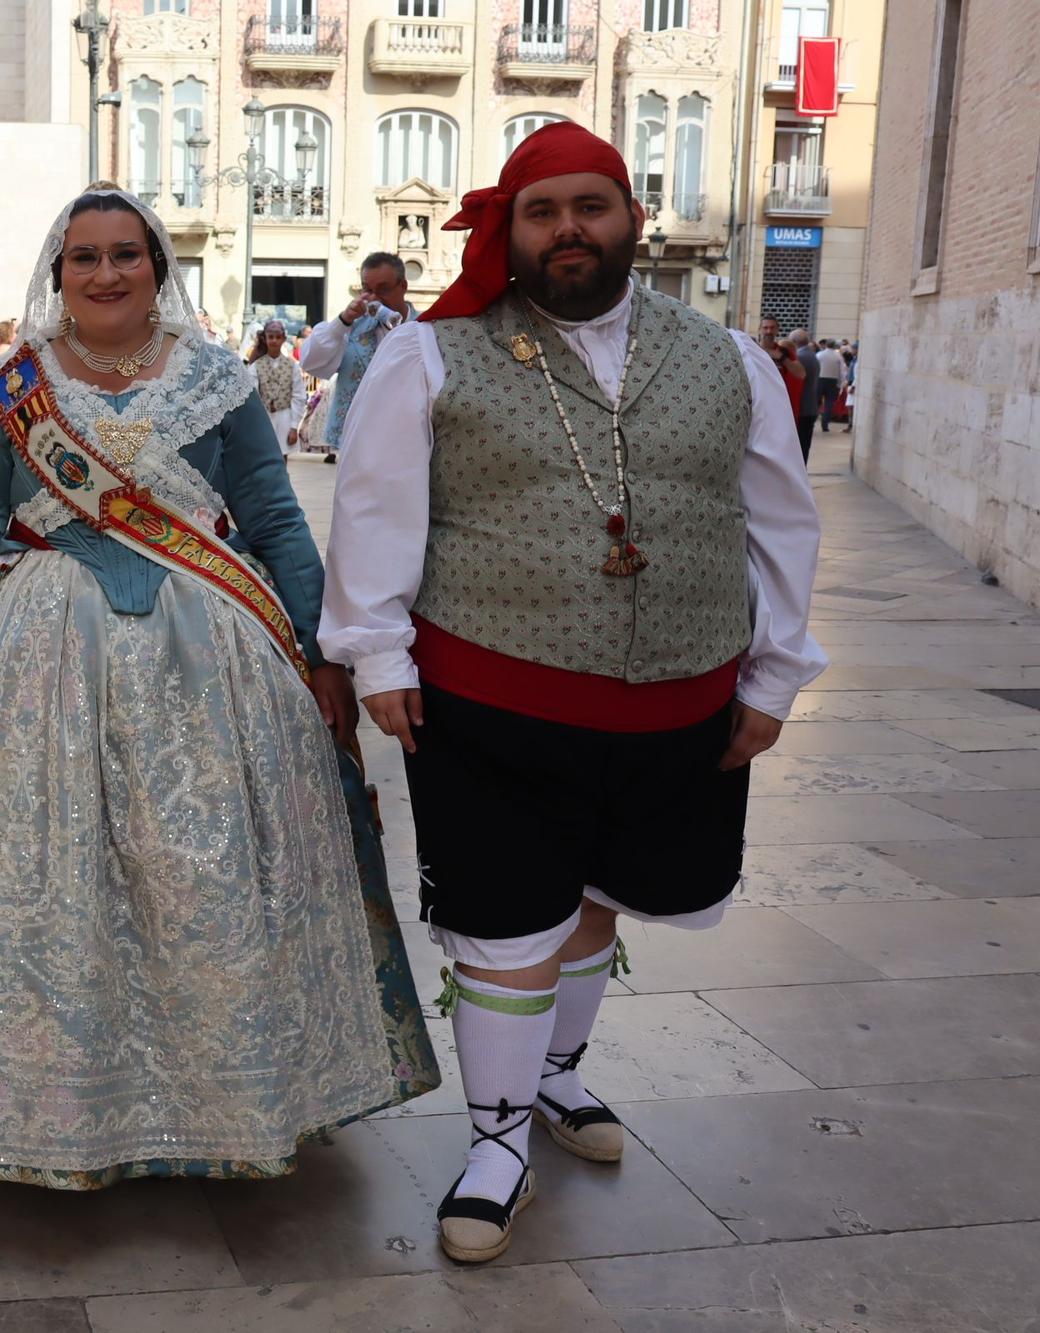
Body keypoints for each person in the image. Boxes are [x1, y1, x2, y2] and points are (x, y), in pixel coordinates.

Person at [319, 122, 825, 1264]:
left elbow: (782, 525)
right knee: (505, 922)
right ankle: (494, 1141)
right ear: (514, 226)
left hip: (677, 705)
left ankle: (553, 1079)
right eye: (542, 212)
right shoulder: (432, 354)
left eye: (588, 207)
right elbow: (375, 510)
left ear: (628, 218)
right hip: (491, 698)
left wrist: (775, 673)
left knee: (597, 896)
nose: (567, 232)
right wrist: (377, 656)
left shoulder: (727, 359)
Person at [0, 185, 437, 1189]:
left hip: (210, 648)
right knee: (53, 869)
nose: (104, 273)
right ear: (58, 275)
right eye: (82, 258)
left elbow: (269, 516)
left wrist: (319, 649)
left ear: (155, 269)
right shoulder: (16, 384)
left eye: (124, 254)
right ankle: (49, 1104)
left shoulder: (216, 379)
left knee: (203, 868)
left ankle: (227, 1095)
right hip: (41, 652)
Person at [301, 252, 413, 464]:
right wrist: (342, 321)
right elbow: (311, 363)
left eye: (384, 289)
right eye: (367, 290)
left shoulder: (425, 327)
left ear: (403, 286)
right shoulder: (351, 327)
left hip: (408, 441)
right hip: (357, 442)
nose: (375, 298)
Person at [247, 318, 301, 455]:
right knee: (264, 455)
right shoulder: (256, 366)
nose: (274, 341)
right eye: (271, 337)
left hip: (285, 418)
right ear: (265, 339)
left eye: (278, 337)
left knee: (283, 456)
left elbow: (298, 396)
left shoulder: (292, 366)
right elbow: (252, 396)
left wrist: (294, 426)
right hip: (264, 418)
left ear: (283, 339)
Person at [791, 329, 821, 461]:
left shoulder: (800, 357)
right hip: (810, 407)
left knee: (800, 448)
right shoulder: (811, 354)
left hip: (803, 408)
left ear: (794, 342)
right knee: (804, 446)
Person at [816, 337, 846, 432]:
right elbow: (842, 371)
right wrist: (841, 383)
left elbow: (815, 367)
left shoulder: (819, 354)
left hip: (820, 380)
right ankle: (825, 425)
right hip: (833, 381)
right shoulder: (838, 356)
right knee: (829, 403)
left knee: (816, 402)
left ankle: (812, 421)